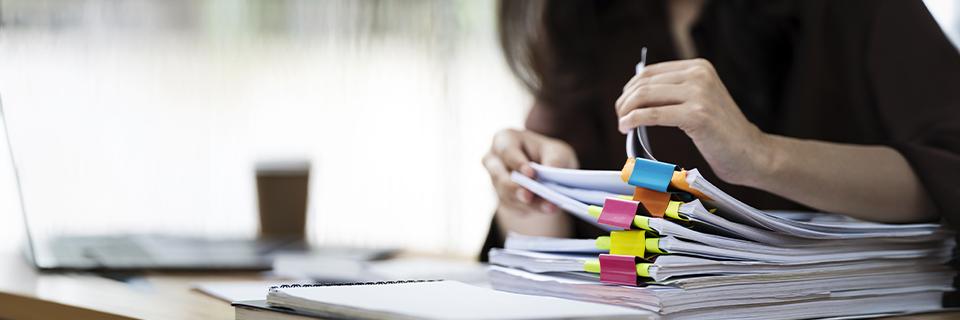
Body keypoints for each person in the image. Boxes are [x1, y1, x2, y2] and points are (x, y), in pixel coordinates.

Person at [480, 0, 960, 260]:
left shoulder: (856, 14)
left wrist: (762, 157)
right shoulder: (588, 25)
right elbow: (560, 239)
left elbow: (949, 170)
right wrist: (533, 194)